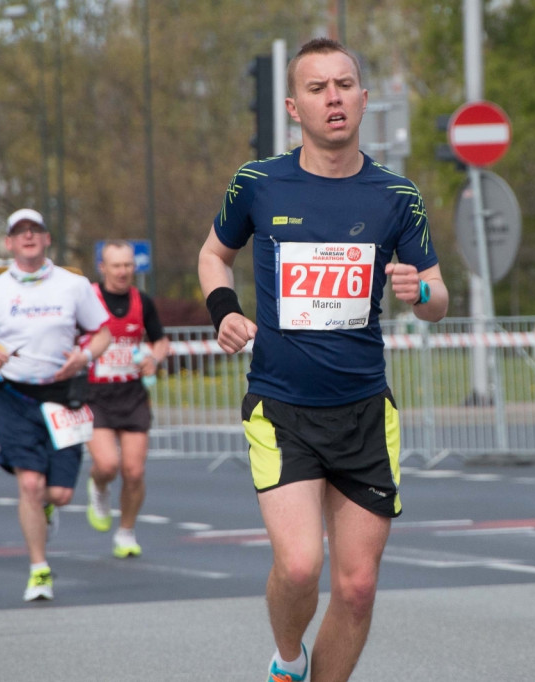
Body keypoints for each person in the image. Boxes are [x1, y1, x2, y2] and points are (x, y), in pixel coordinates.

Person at [198, 38, 448, 682]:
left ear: (364, 99)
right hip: (282, 408)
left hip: (365, 411)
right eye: (317, 88)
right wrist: (224, 309)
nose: (333, 98)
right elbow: (212, 254)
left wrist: (420, 291)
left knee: (358, 588)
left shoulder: (397, 194)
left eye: (344, 85)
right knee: (303, 565)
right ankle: (288, 661)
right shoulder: (257, 182)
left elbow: (438, 295)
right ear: (293, 106)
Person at [0, 208, 111, 601]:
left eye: (35, 230)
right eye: (19, 232)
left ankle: (47, 509)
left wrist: (84, 357)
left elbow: (103, 333)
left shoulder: (73, 285)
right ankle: (39, 569)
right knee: (30, 483)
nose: (28, 237)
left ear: (46, 239)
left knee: (58, 494)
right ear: (9, 243)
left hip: (64, 398)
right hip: (15, 396)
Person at [83, 240, 171, 558]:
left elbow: (160, 341)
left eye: (127, 265)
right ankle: (99, 486)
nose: (122, 272)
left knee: (134, 471)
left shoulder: (142, 301)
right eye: (116, 265)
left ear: (134, 267)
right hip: (95, 395)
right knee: (107, 464)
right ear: (102, 267)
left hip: (132, 394)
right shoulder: (88, 300)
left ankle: (126, 532)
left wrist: (153, 358)